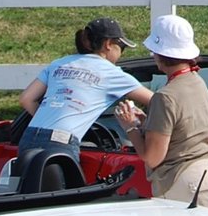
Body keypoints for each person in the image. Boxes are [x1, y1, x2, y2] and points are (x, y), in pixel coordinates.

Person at [114, 13, 208, 212]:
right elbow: (184, 128)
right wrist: (148, 121)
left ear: (160, 54)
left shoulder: (165, 96)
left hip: (190, 186)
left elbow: (152, 158)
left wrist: (130, 127)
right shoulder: (197, 82)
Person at [18, 17, 154, 160]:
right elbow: (159, 101)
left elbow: (26, 99)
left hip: (30, 136)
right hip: (61, 142)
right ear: (108, 44)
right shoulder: (111, 73)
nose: (121, 54)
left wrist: (48, 127)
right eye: (122, 47)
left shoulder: (60, 63)